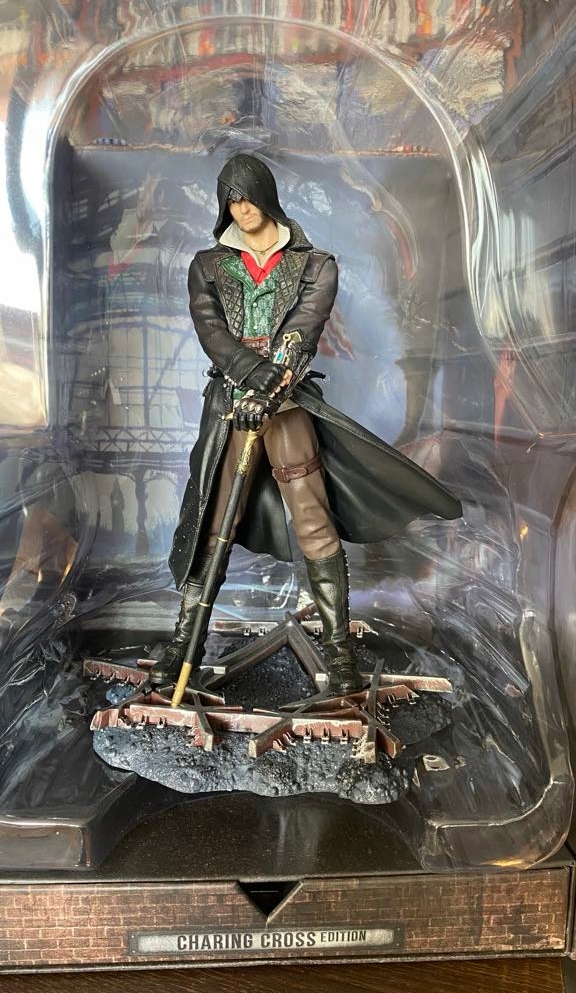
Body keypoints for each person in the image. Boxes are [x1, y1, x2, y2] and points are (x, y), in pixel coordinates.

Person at [151, 153, 461, 693]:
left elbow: (303, 329)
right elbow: (212, 332)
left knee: (314, 519)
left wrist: (269, 388)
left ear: (266, 196)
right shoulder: (207, 265)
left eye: (248, 196)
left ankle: (339, 653)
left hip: (287, 405)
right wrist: (248, 378)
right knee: (213, 523)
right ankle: (185, 644)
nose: (242, 208)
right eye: (231, 200)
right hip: (230, 408)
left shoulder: (316, 265)